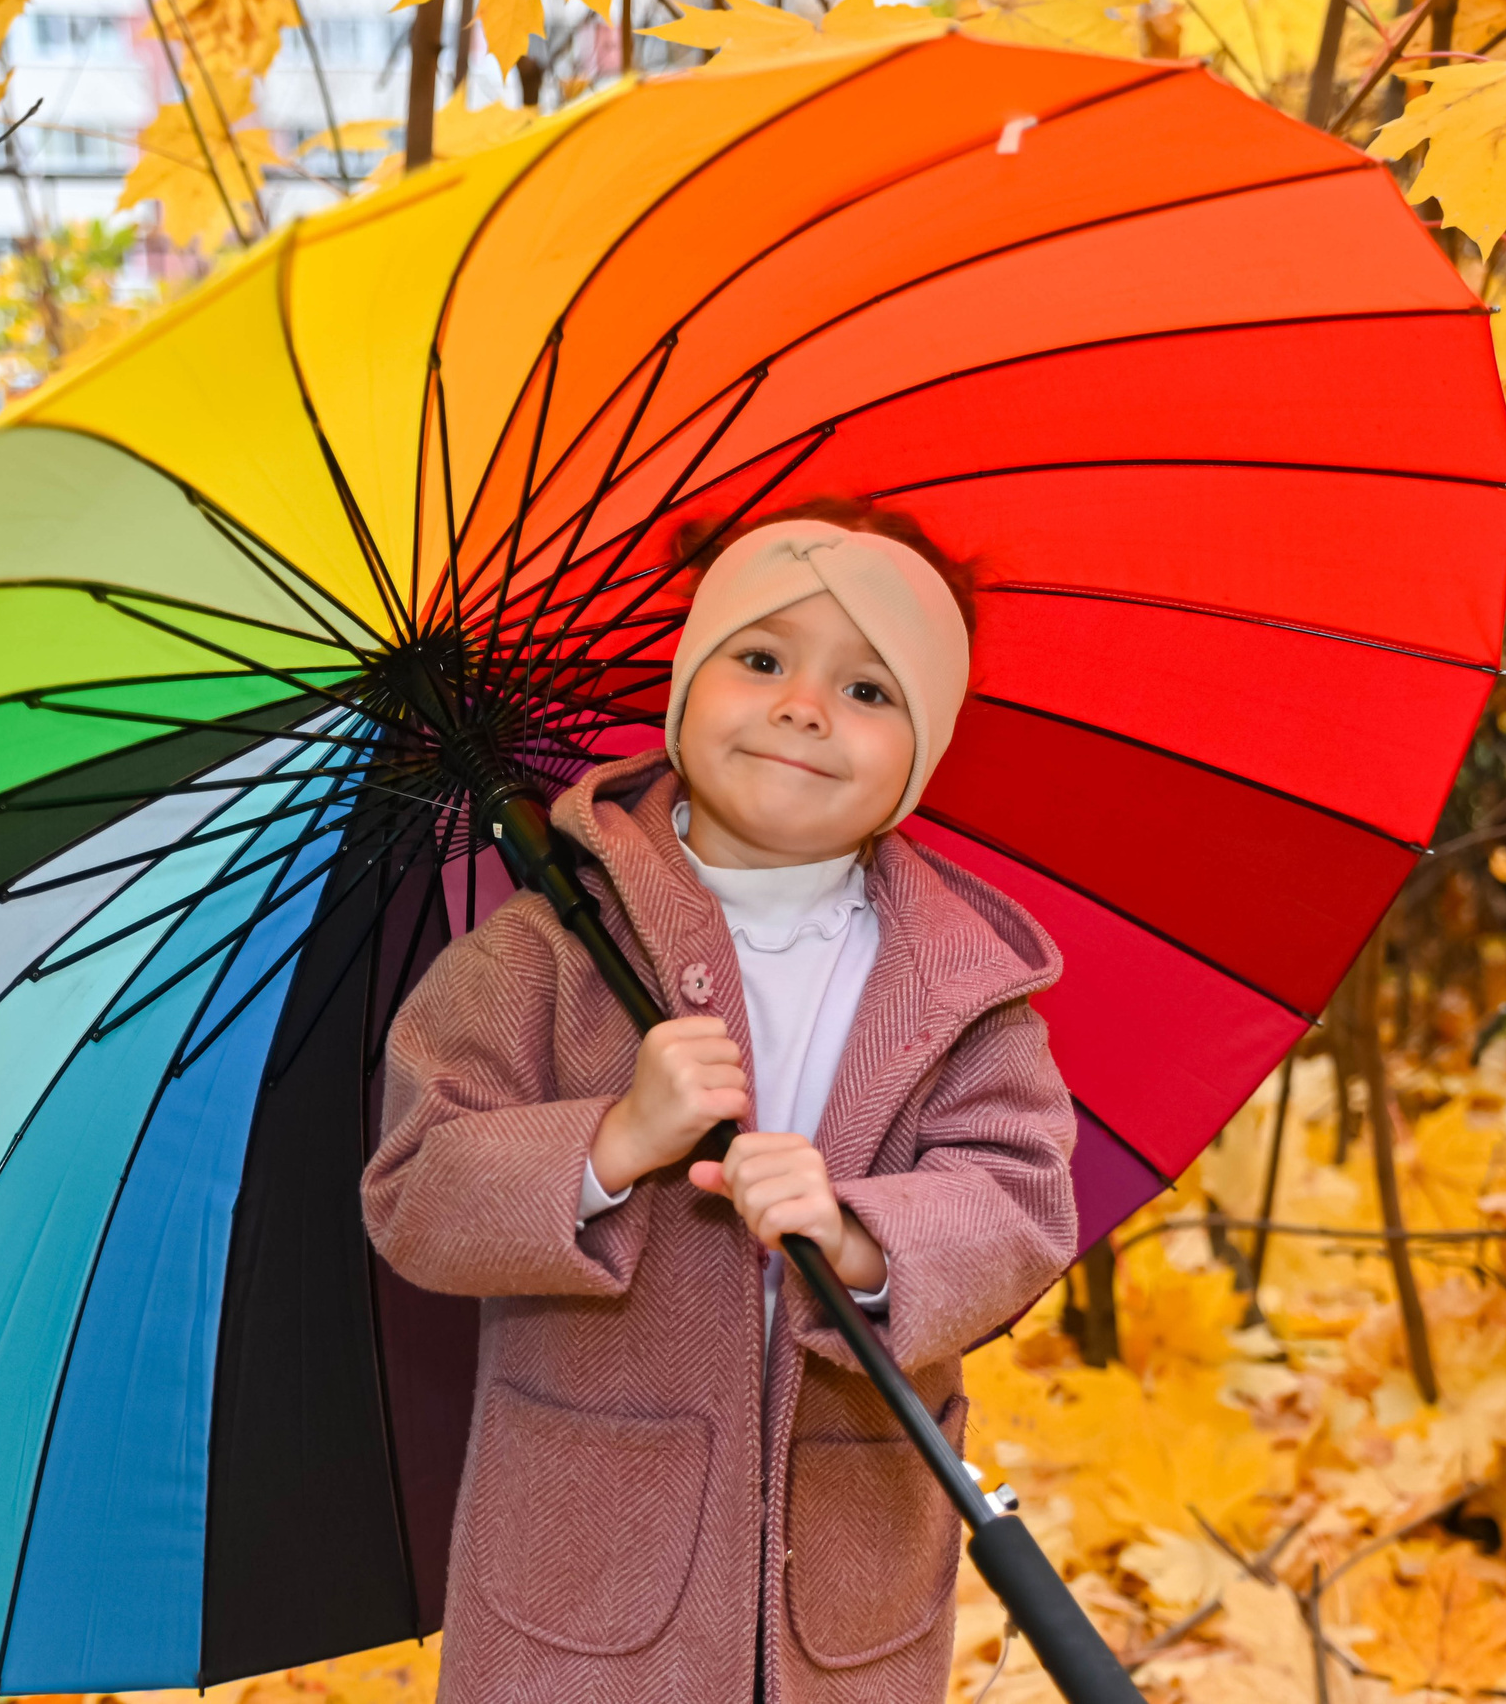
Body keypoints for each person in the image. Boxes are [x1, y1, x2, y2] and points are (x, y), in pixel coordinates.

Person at [361, 504, 1079, 1703]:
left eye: (868, 689)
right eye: (760, 659)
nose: (803, 704)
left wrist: (860, 1235)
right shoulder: (541, 951)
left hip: (841, 1585)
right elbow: (416, 1188)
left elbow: (1018, 1202)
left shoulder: (960, 984)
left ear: (925, 752)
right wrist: (610, 1139)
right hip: (587, 1575)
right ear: (687, 686)